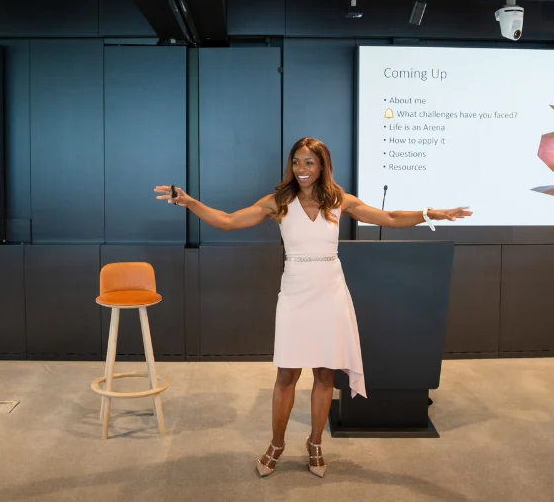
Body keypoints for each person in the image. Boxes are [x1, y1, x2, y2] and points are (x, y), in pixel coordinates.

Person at [155, 137, 472, 479]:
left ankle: (315, 444)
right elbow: (229, 220)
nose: (302, 169)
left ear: (322, 165)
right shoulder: (278, 202)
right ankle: (277, 444)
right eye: (296, 162)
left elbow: (389, 217)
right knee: (286, 374)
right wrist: (189, 202)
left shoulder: (338, 200)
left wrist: (429, 213)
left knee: (324, 374)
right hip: (295, 292)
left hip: (330, 290)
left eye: (309, 162)